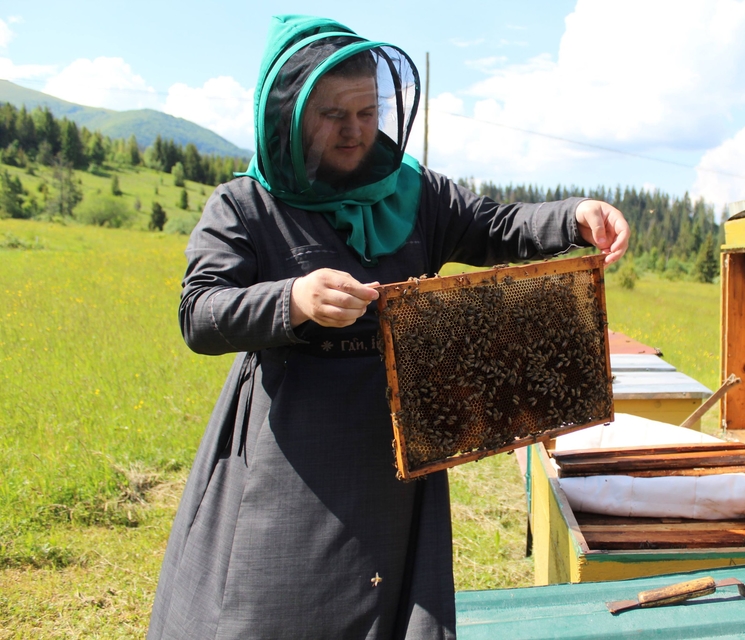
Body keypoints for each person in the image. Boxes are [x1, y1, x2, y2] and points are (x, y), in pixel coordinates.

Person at [147, 15, 629, 640]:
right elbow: (200, 313)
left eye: (367, 111)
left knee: (393, 600)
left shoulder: (416, 193)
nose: (354, 130)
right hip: (292, 446)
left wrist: (573, 217)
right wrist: (292, 299)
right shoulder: (244, 205)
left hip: (399, 443)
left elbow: (496, 226)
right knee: (274, 600)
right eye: (332, 115)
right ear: (289, 116)